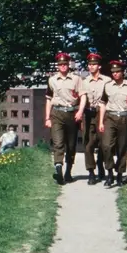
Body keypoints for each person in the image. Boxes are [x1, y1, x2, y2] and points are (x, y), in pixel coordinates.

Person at [44, 52, 86, 184]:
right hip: (57, 113)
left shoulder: (76, 79)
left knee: (71, 145)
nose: (62, 66)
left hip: (72, 114)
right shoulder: (52, 80)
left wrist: (80, 111)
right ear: (57, 66)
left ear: (69, 65)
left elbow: (83, 96)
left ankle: (68, 171)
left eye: (65, 64)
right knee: (58, 143)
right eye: (60, 64)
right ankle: (58, 167)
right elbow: (49, 100)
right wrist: (47, 118)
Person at [97, 60, 127, 188]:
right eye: (113, 72)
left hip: (124, 118)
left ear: (122, 72)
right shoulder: (108, 85)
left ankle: (120, 174)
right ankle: (109, 173)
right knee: (106, 145)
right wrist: (100, 121)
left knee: (122, 147)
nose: (115, 74)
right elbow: (103, 103)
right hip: (110, 117)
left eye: (117, 72)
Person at [80, 52, 111, 185]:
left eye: (94, 64)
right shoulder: (84, 81)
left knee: (104, 144)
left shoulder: (107, 81)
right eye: (90, 64)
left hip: (102, 113)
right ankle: (91, 172)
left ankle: (103, 167)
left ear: (99, 66)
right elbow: (81, 99)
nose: (91, 67)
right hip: (88, 114)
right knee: (88, 145)